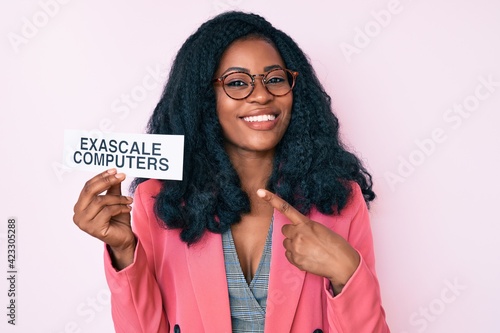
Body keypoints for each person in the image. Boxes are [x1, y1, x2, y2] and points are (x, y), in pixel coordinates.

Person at [73, 11, 390, 333]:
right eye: (237, 82)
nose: (263, 94)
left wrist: (346, 272)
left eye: (276, 79)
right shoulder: (160, 199)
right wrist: (124, 251)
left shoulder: (340, 200)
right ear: (204, 100)